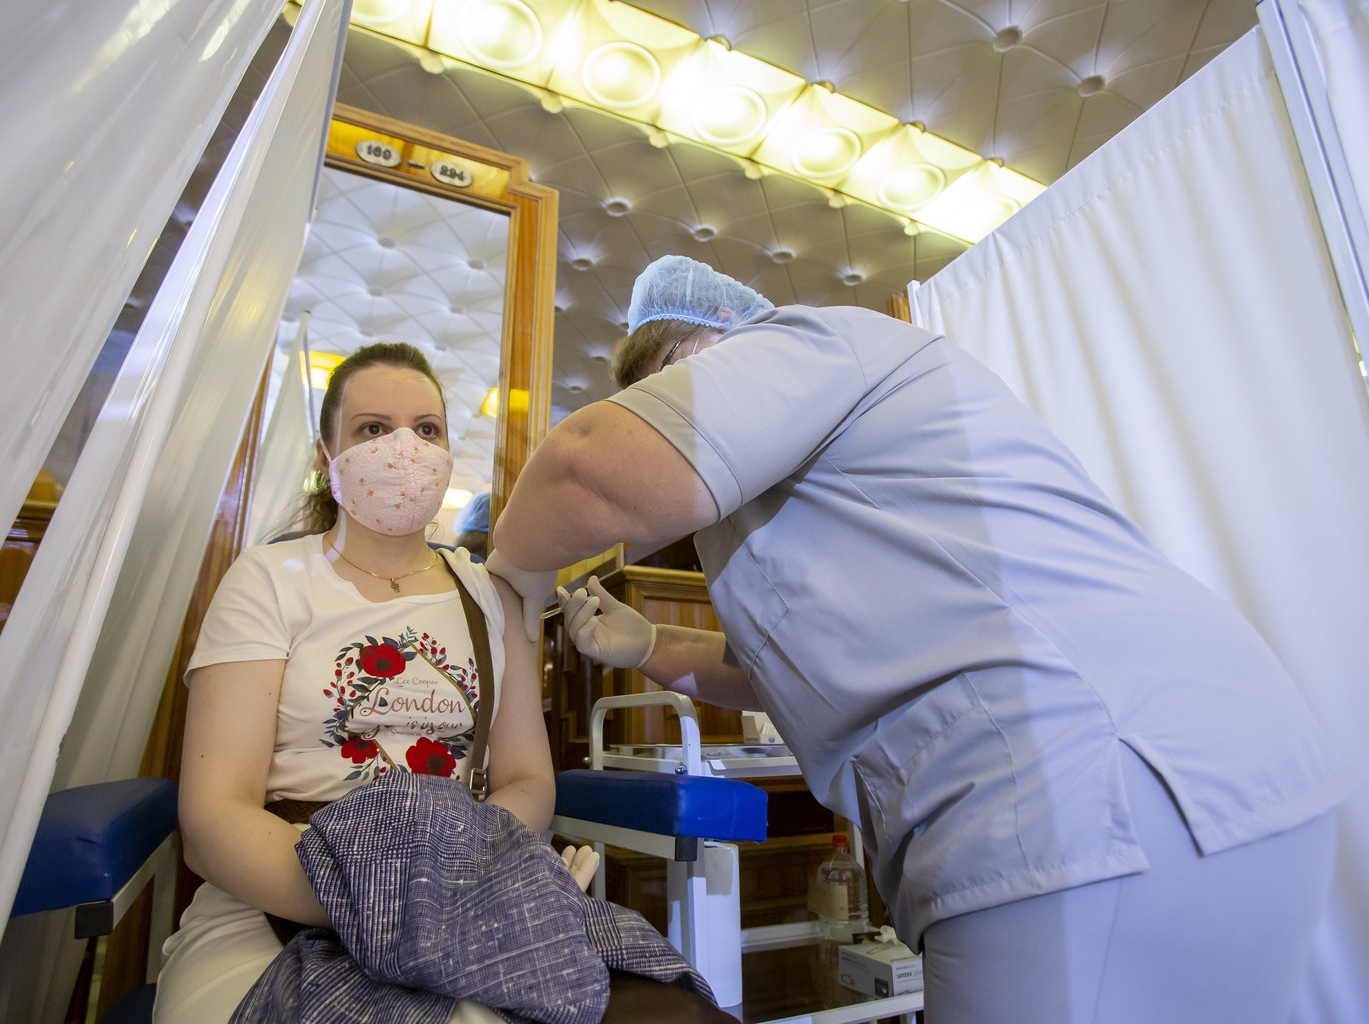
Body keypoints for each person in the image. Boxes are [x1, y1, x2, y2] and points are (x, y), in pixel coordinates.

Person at [485, 255, 1353, 1023]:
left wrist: (511, 580)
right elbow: (796, 665)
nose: (661, 409)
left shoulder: (813, 346)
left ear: (723, 337)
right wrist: (652, 645)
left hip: (1094, 799)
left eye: (666, 385)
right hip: (1219, 773)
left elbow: (588, 460)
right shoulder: (809, 483)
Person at [155, 342, 594, 1024]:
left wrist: (457, 887)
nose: (403, 449)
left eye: (426, 430)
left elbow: (529, 780)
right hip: (278, 900)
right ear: (327, 460)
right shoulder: (268, 581)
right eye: (371, 428)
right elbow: (213, 822)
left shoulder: (490, 598)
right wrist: (382, 900)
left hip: (457, 901)